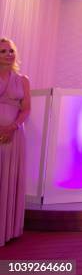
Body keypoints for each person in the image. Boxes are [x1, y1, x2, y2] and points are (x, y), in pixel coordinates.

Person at [0, 38, 30, 247]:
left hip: (14, 135)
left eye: (11, 50)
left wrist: (12, 127)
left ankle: (7, 230)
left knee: (9, 179)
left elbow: (26, 108)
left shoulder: (23, 80)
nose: (9, 54)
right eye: (3, 51)